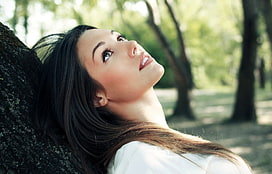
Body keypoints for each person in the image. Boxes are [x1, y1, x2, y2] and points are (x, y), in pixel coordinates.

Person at [32, 25, 252, 174]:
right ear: (95, 96)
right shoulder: (139, 157)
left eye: (120, 38)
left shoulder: (155, 147)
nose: (132, 45)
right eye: (106, 54)